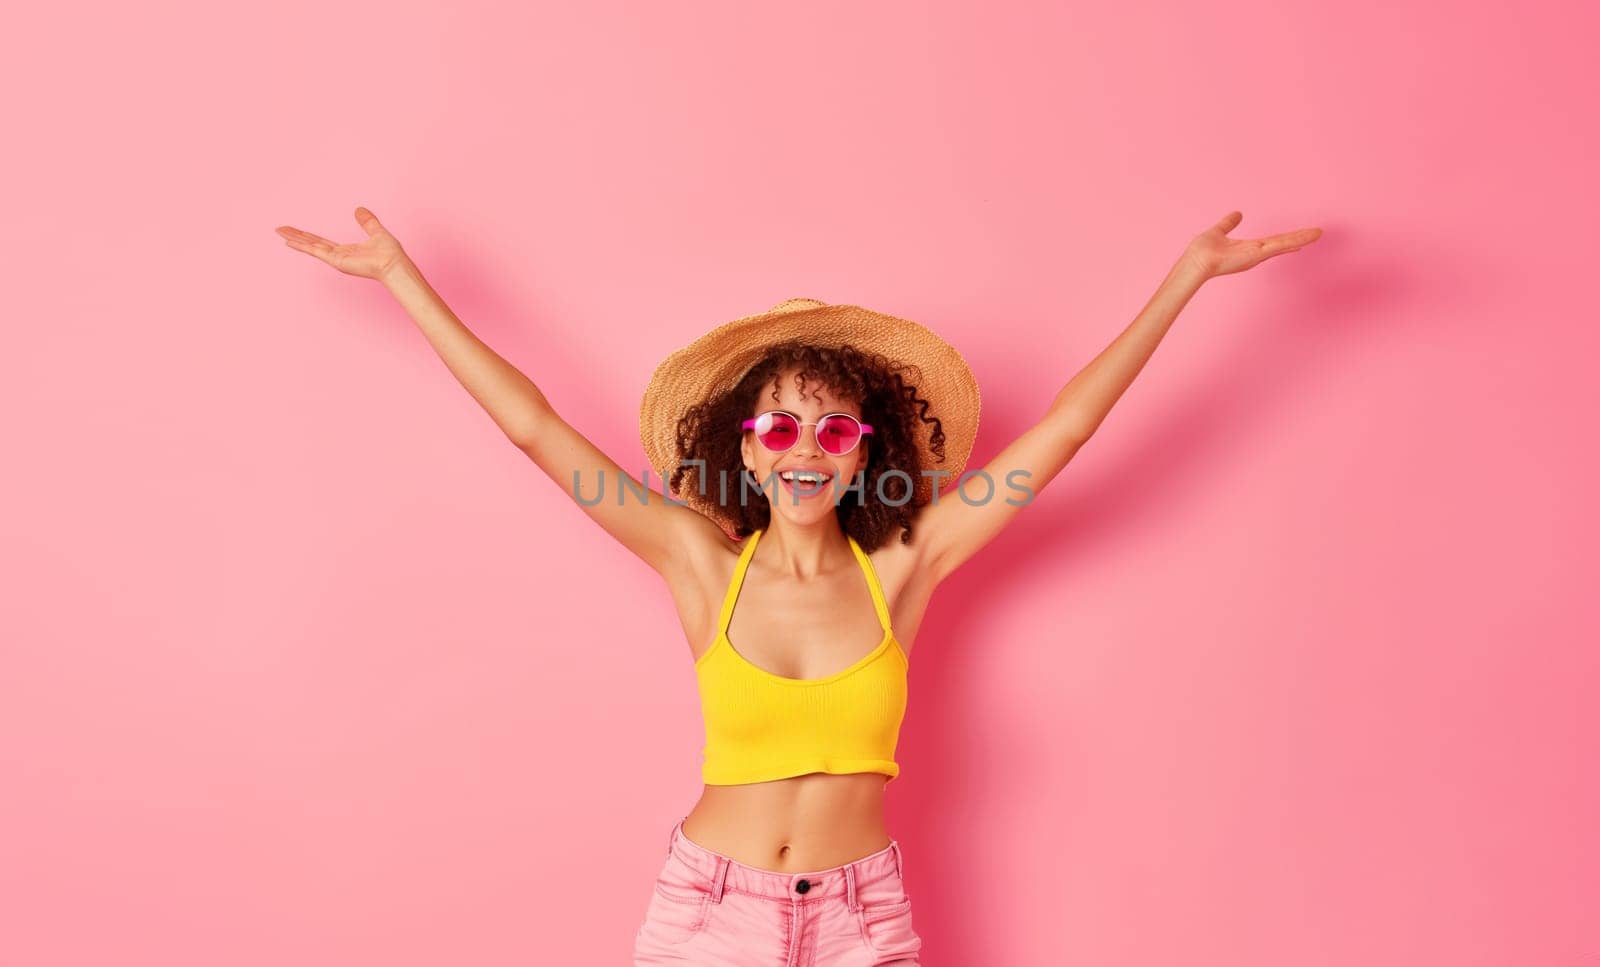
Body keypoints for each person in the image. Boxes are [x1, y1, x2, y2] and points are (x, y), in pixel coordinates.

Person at [275, 208, 1322, 965]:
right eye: (779, 427)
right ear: (749, 447)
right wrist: (404, 280)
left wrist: (1184, 276)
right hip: (708, 917)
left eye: (833, 428)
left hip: (861, 922)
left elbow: (1066, 432)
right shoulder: (697, 560)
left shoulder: (909, 564)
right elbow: (535, 427)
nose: (804, 450)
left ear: (866, 451)